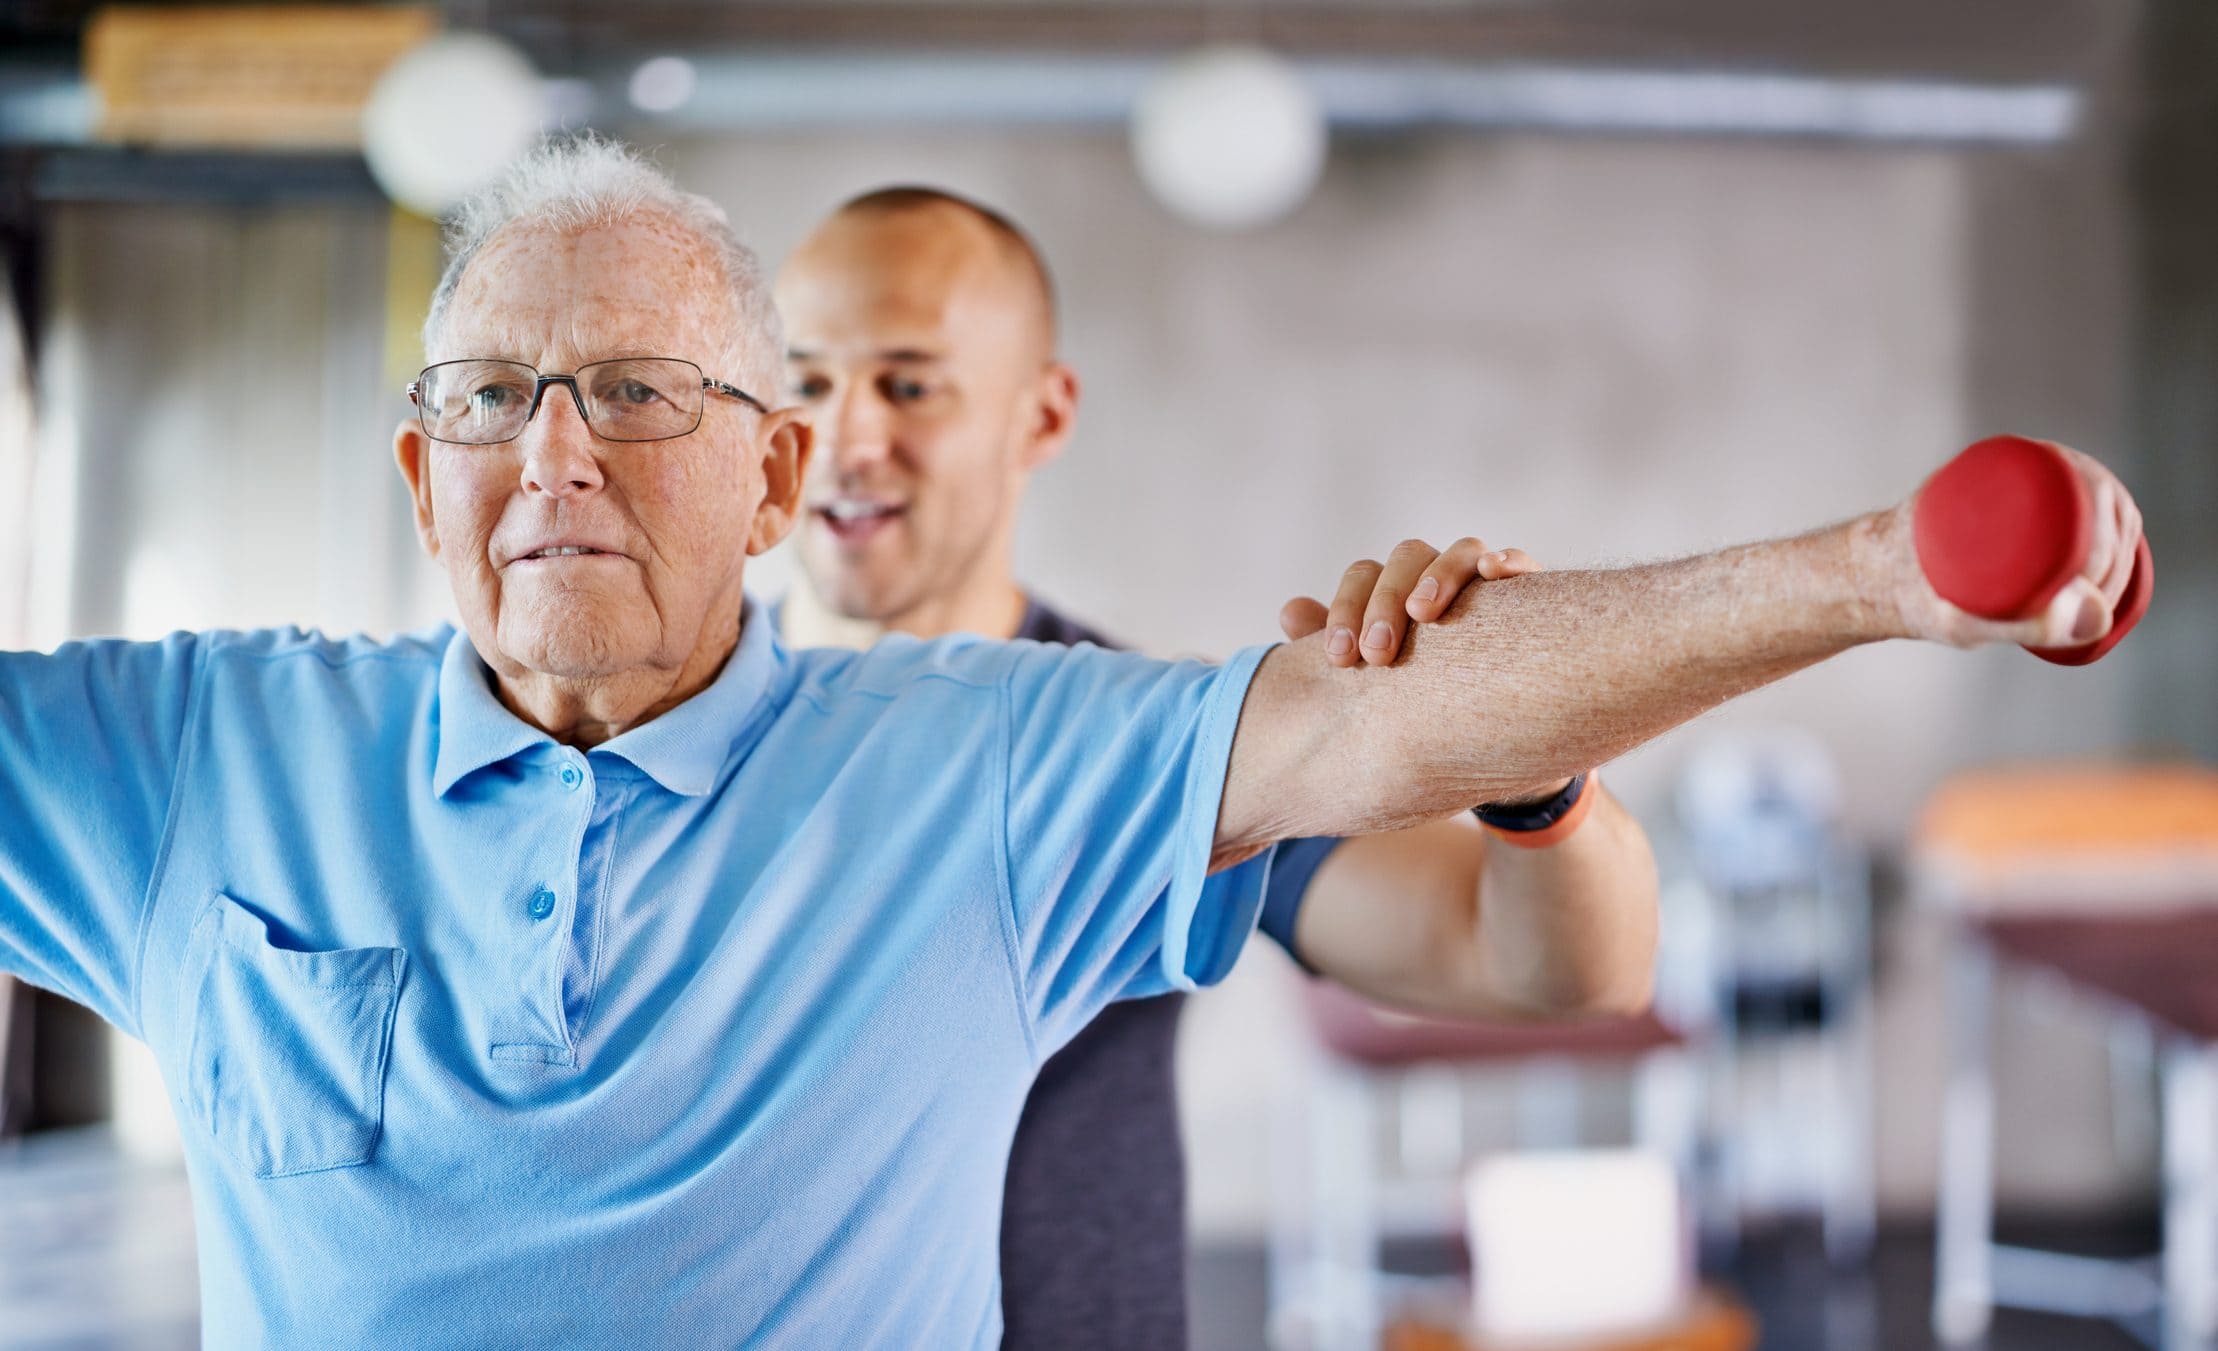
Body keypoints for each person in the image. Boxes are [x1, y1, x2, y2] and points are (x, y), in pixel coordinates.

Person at [0, 135, 2144, 1347]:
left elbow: (1522, 912)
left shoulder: (1018, 751)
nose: (554, 455)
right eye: (493, 398)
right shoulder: (218, 752)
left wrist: (1875, 575)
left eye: (646, 393)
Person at [772, 185, 1659, 1349]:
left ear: (1040, 418)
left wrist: (1531, 770)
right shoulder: (677, 727)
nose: (845, 437)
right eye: (806, 380)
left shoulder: (1150, 741)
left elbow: (1550, 966)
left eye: (908, 384)